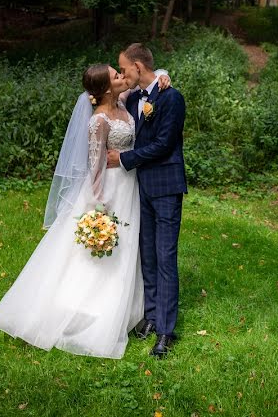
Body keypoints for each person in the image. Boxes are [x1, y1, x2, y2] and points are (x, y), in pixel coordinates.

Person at [0, 63, 169, 359]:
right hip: (110, 191)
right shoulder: (98, 120)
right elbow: (94, 165)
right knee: (103, 250)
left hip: (130, 184)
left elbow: (151, 76)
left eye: (120, 71)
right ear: (107, 88)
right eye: (115, 75)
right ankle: (89, 309)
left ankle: (131, 308)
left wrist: (164, 75)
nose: (122, 77)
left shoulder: (124, 102)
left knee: (129, 247)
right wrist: (100, 206)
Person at [108, 43, 187, 358]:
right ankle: (151, 316)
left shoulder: (172, 98)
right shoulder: (137, 97)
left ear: (138, 67)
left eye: (125, 68)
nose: (123, 73)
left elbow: (164, 144)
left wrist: (125, 159)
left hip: (166, 186)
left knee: (165, 257)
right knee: (148, 255)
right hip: (142, 188)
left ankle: (166, 331)